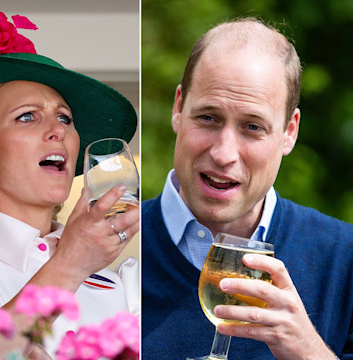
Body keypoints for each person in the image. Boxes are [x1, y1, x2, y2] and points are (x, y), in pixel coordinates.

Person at [0, 6, 139, 357]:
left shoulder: (128, 286)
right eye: (27, 117)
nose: (59, 130)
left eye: (65, 118)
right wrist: (70, 263)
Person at [141, 17, 353, 359]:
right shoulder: (109, 255)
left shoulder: (345, 259)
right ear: (178, 108)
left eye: (252, 127)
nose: (223, 154)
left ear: (289, 132)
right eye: (208, 117)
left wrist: (308, 351)